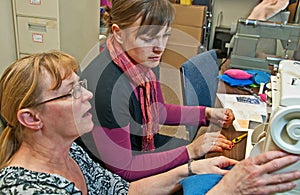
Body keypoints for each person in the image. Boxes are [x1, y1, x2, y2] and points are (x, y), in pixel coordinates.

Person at [1, 51, 300, 195]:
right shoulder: (28, 189)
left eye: (82, 85)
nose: (87, 95)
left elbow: (124, 192)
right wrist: (226, 191)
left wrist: (192, 168)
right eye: (72, 92)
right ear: (31, 118)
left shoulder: (70, 152)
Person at [80, 0, 235, 182]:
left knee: (214, 159)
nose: (160, 47)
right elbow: (124, 169)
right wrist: (191, 151)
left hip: (139, 146)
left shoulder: (144, 58)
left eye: (165, 35)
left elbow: (157, 110)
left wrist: (207, 114)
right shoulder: (106, 89)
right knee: (207, 176)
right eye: (148, 38)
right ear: (118, 33)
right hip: (113, 173)